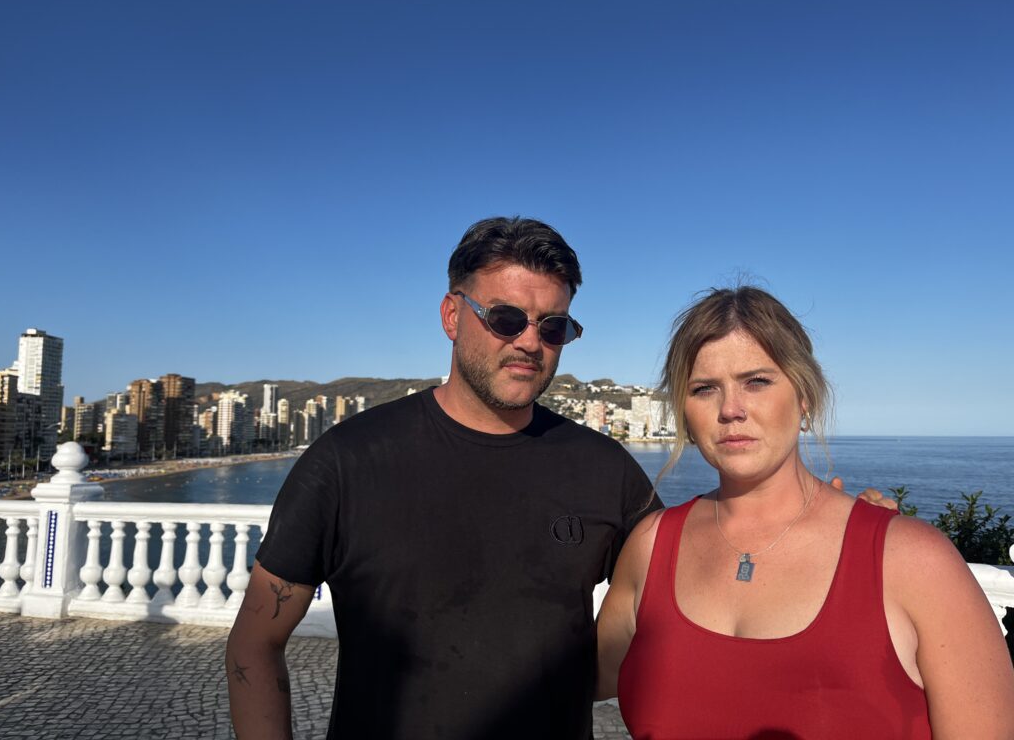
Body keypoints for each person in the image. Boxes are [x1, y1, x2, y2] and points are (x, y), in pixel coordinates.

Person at [226, 217, 661, 740]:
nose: (530, 342)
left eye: (553, 327)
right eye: (506, 318)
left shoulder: (605, 469)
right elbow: (255, 643)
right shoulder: (346, 461)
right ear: (452, 316)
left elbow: (678, 601)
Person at [596, 286, 1014, 739]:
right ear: (683, 410)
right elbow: (574, 678)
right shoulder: (651, 546)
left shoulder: (913, 561)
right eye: (704, 388)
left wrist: (870, 539)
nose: (731, 409)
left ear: (804, 397)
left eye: (757, 381)